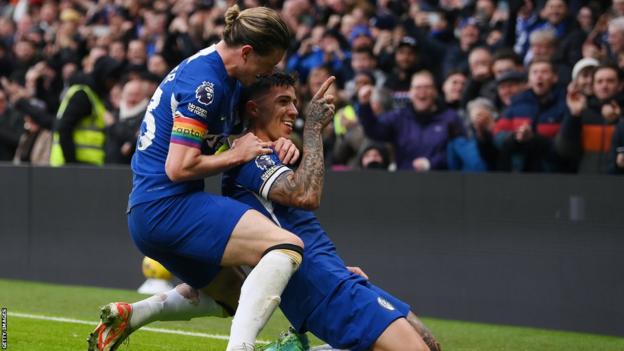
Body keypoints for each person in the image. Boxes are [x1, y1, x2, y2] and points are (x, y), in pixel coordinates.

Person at [88, 6, 304, 351]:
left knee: (232, 297)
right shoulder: (205, 85)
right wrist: (238, 153)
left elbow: (218, 140)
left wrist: (269, 139)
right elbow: (178, 167)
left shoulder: (219, 70)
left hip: (148, 214)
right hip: (168, 207)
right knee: (287, 246)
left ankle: (133, 315)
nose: (267, 73)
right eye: (266, 66)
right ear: (246, 52)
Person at [223, 72, 438, 351]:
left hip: (334, 275)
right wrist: (313, 130)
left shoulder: (273, 153)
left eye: (295, 102)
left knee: (429, 344)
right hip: (321, 286)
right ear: (253, 109)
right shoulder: (249, 156)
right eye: (283, 102)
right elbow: (306, 195)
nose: (293, 110)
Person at [359, 70, 466, 171]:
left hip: (443, 181)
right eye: (417, 87)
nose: (422, 92)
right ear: (410, 92)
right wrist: (364, 105)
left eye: (427, 87)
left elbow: (460, 151)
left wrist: (431, 163)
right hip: (405, 182)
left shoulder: (450, 118)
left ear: (434, 92)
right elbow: (373, 131)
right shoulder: (399, 117)